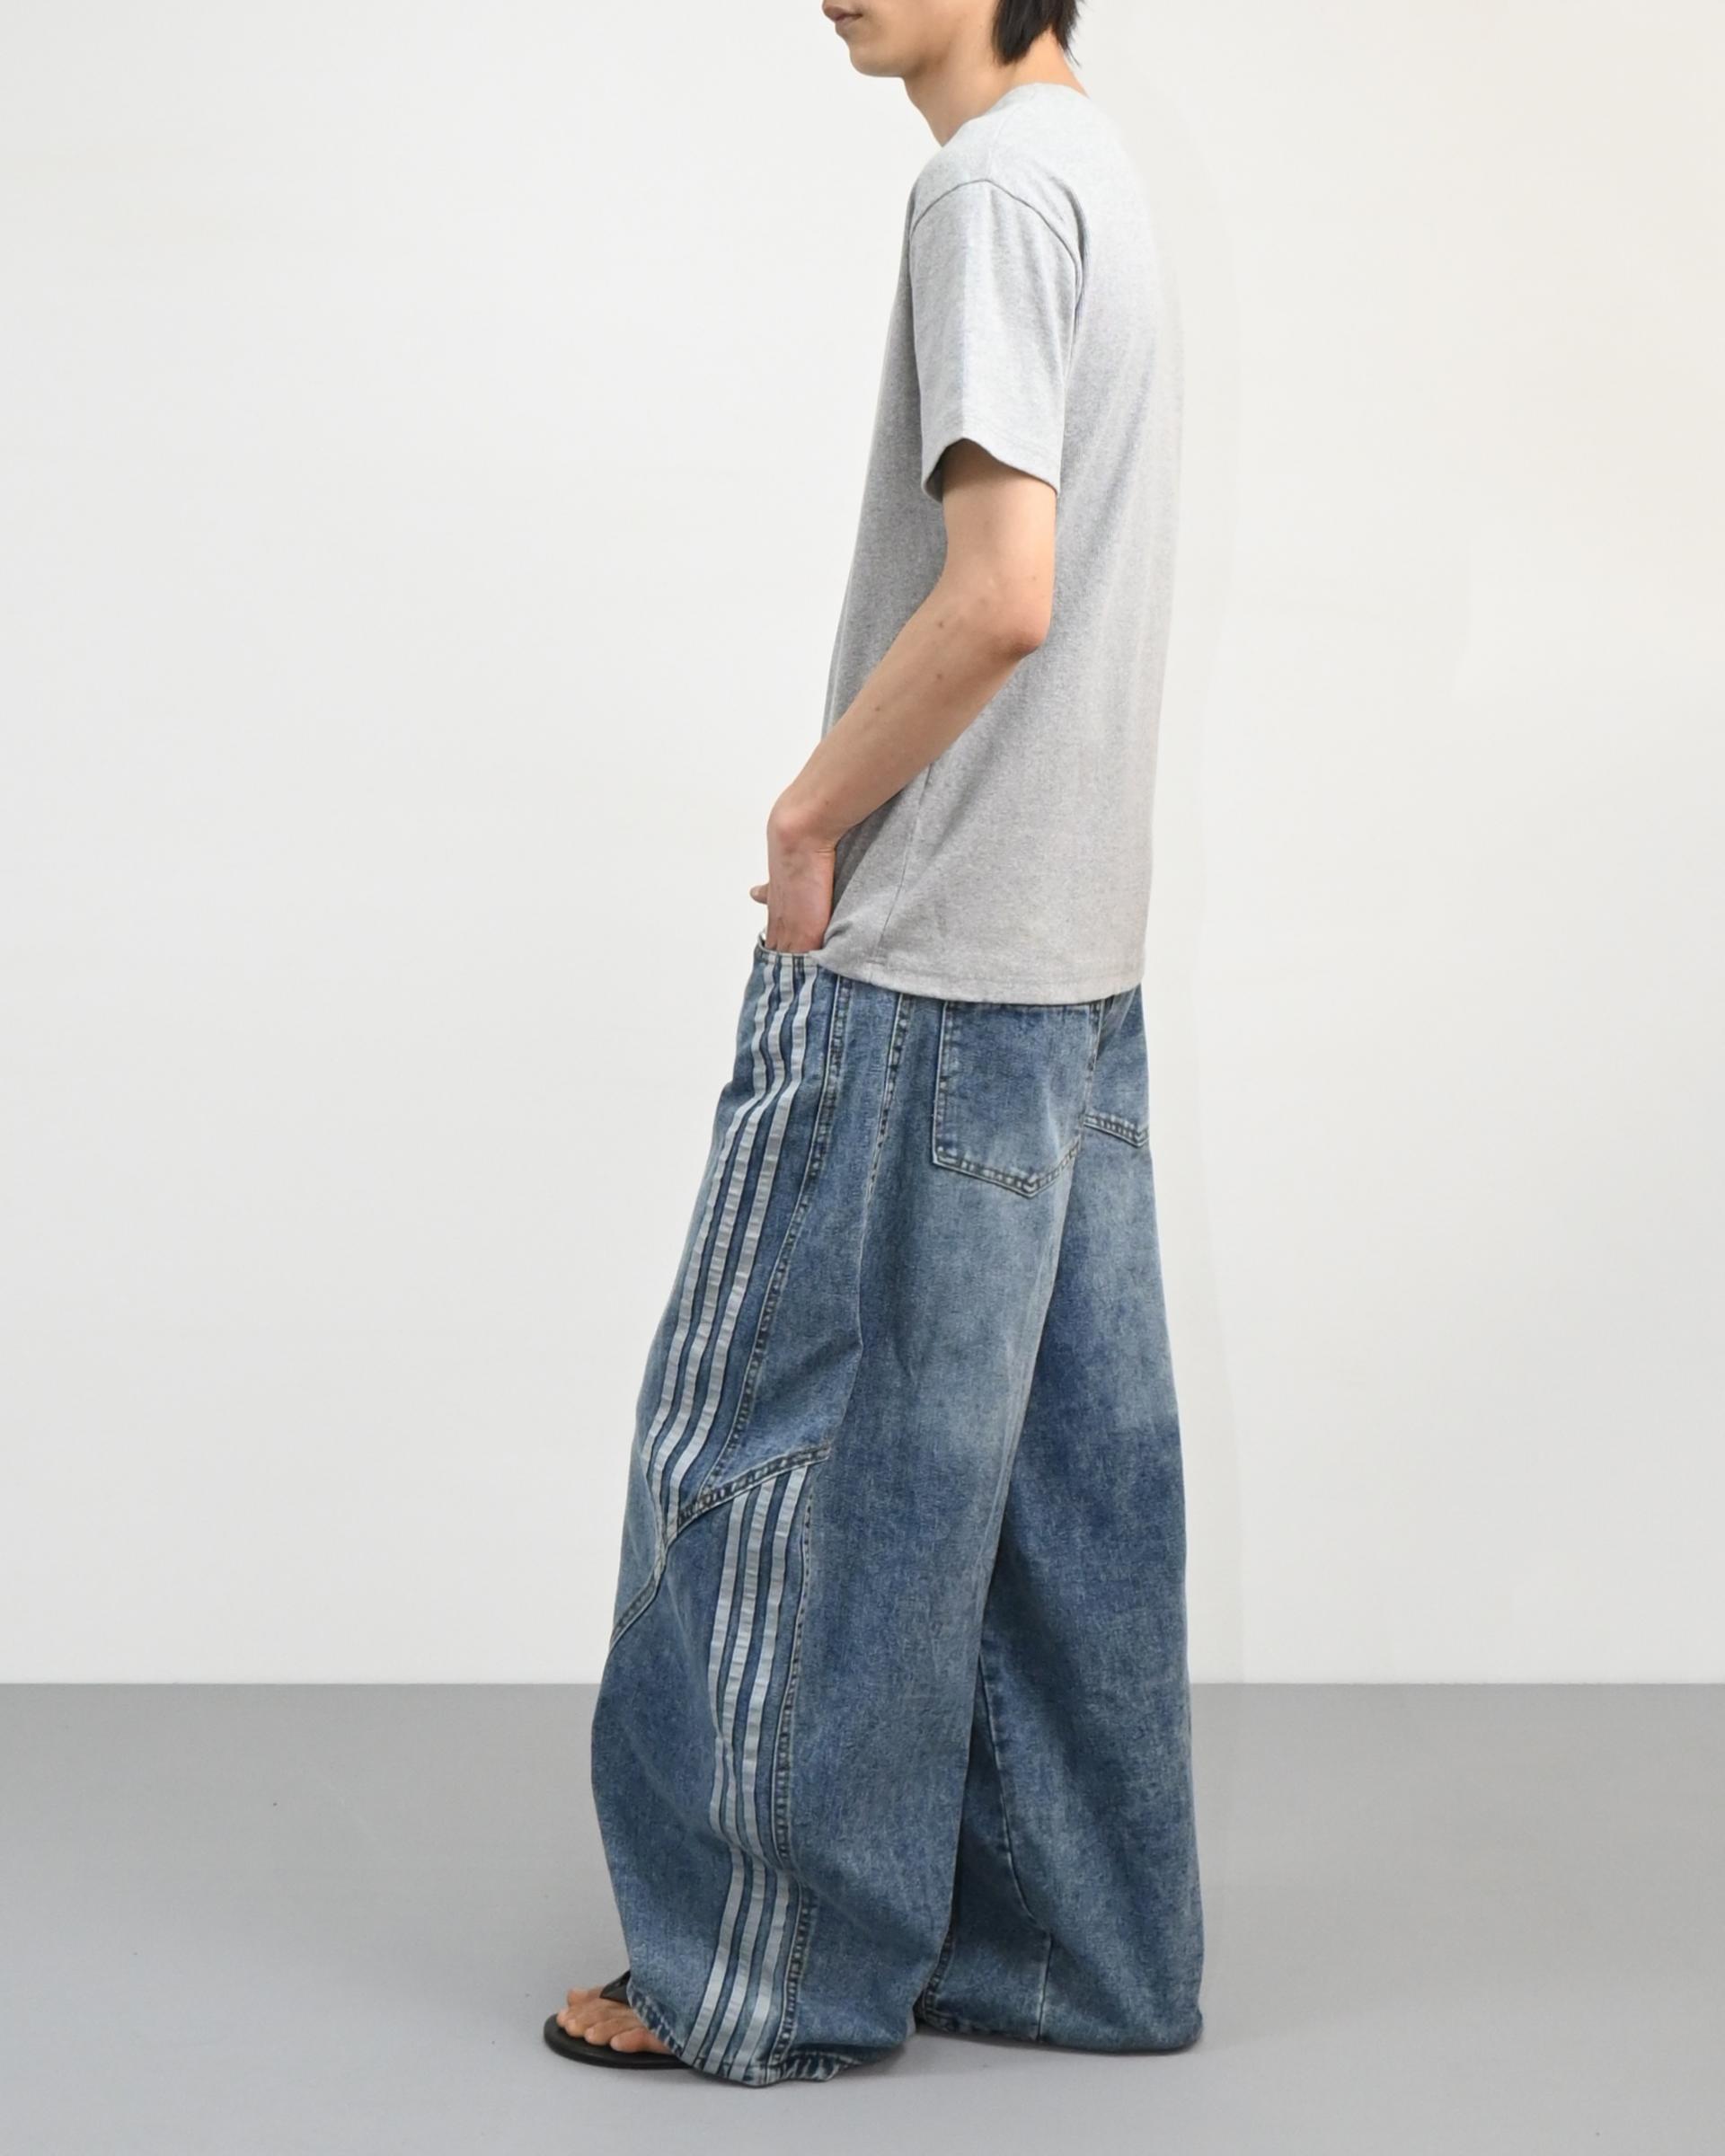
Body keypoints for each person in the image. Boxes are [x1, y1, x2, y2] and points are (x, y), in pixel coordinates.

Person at [545, 0, 1202, 2084]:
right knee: (1058, 1507)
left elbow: (1000, 593)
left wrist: (809, 817)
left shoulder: (990, 186)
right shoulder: (1100, 172)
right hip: (1070, 969)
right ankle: (1074, 1952)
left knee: (778, 1468)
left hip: (929, 962)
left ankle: (769, 1973)